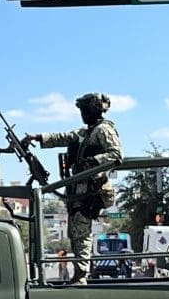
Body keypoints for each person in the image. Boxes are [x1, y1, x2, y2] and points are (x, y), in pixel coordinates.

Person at [25, 93, 122, 284]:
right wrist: (37, 138)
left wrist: (93, 162)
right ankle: (80, 273)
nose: (82, 115)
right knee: (76, 231)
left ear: (94, 110)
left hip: (92, 190)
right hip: (78, 191)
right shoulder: (86, 132)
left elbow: (116, 154)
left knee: (82, 232)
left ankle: (81, 274)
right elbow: (64, 137)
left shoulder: (104, 131)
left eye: (85, 111)